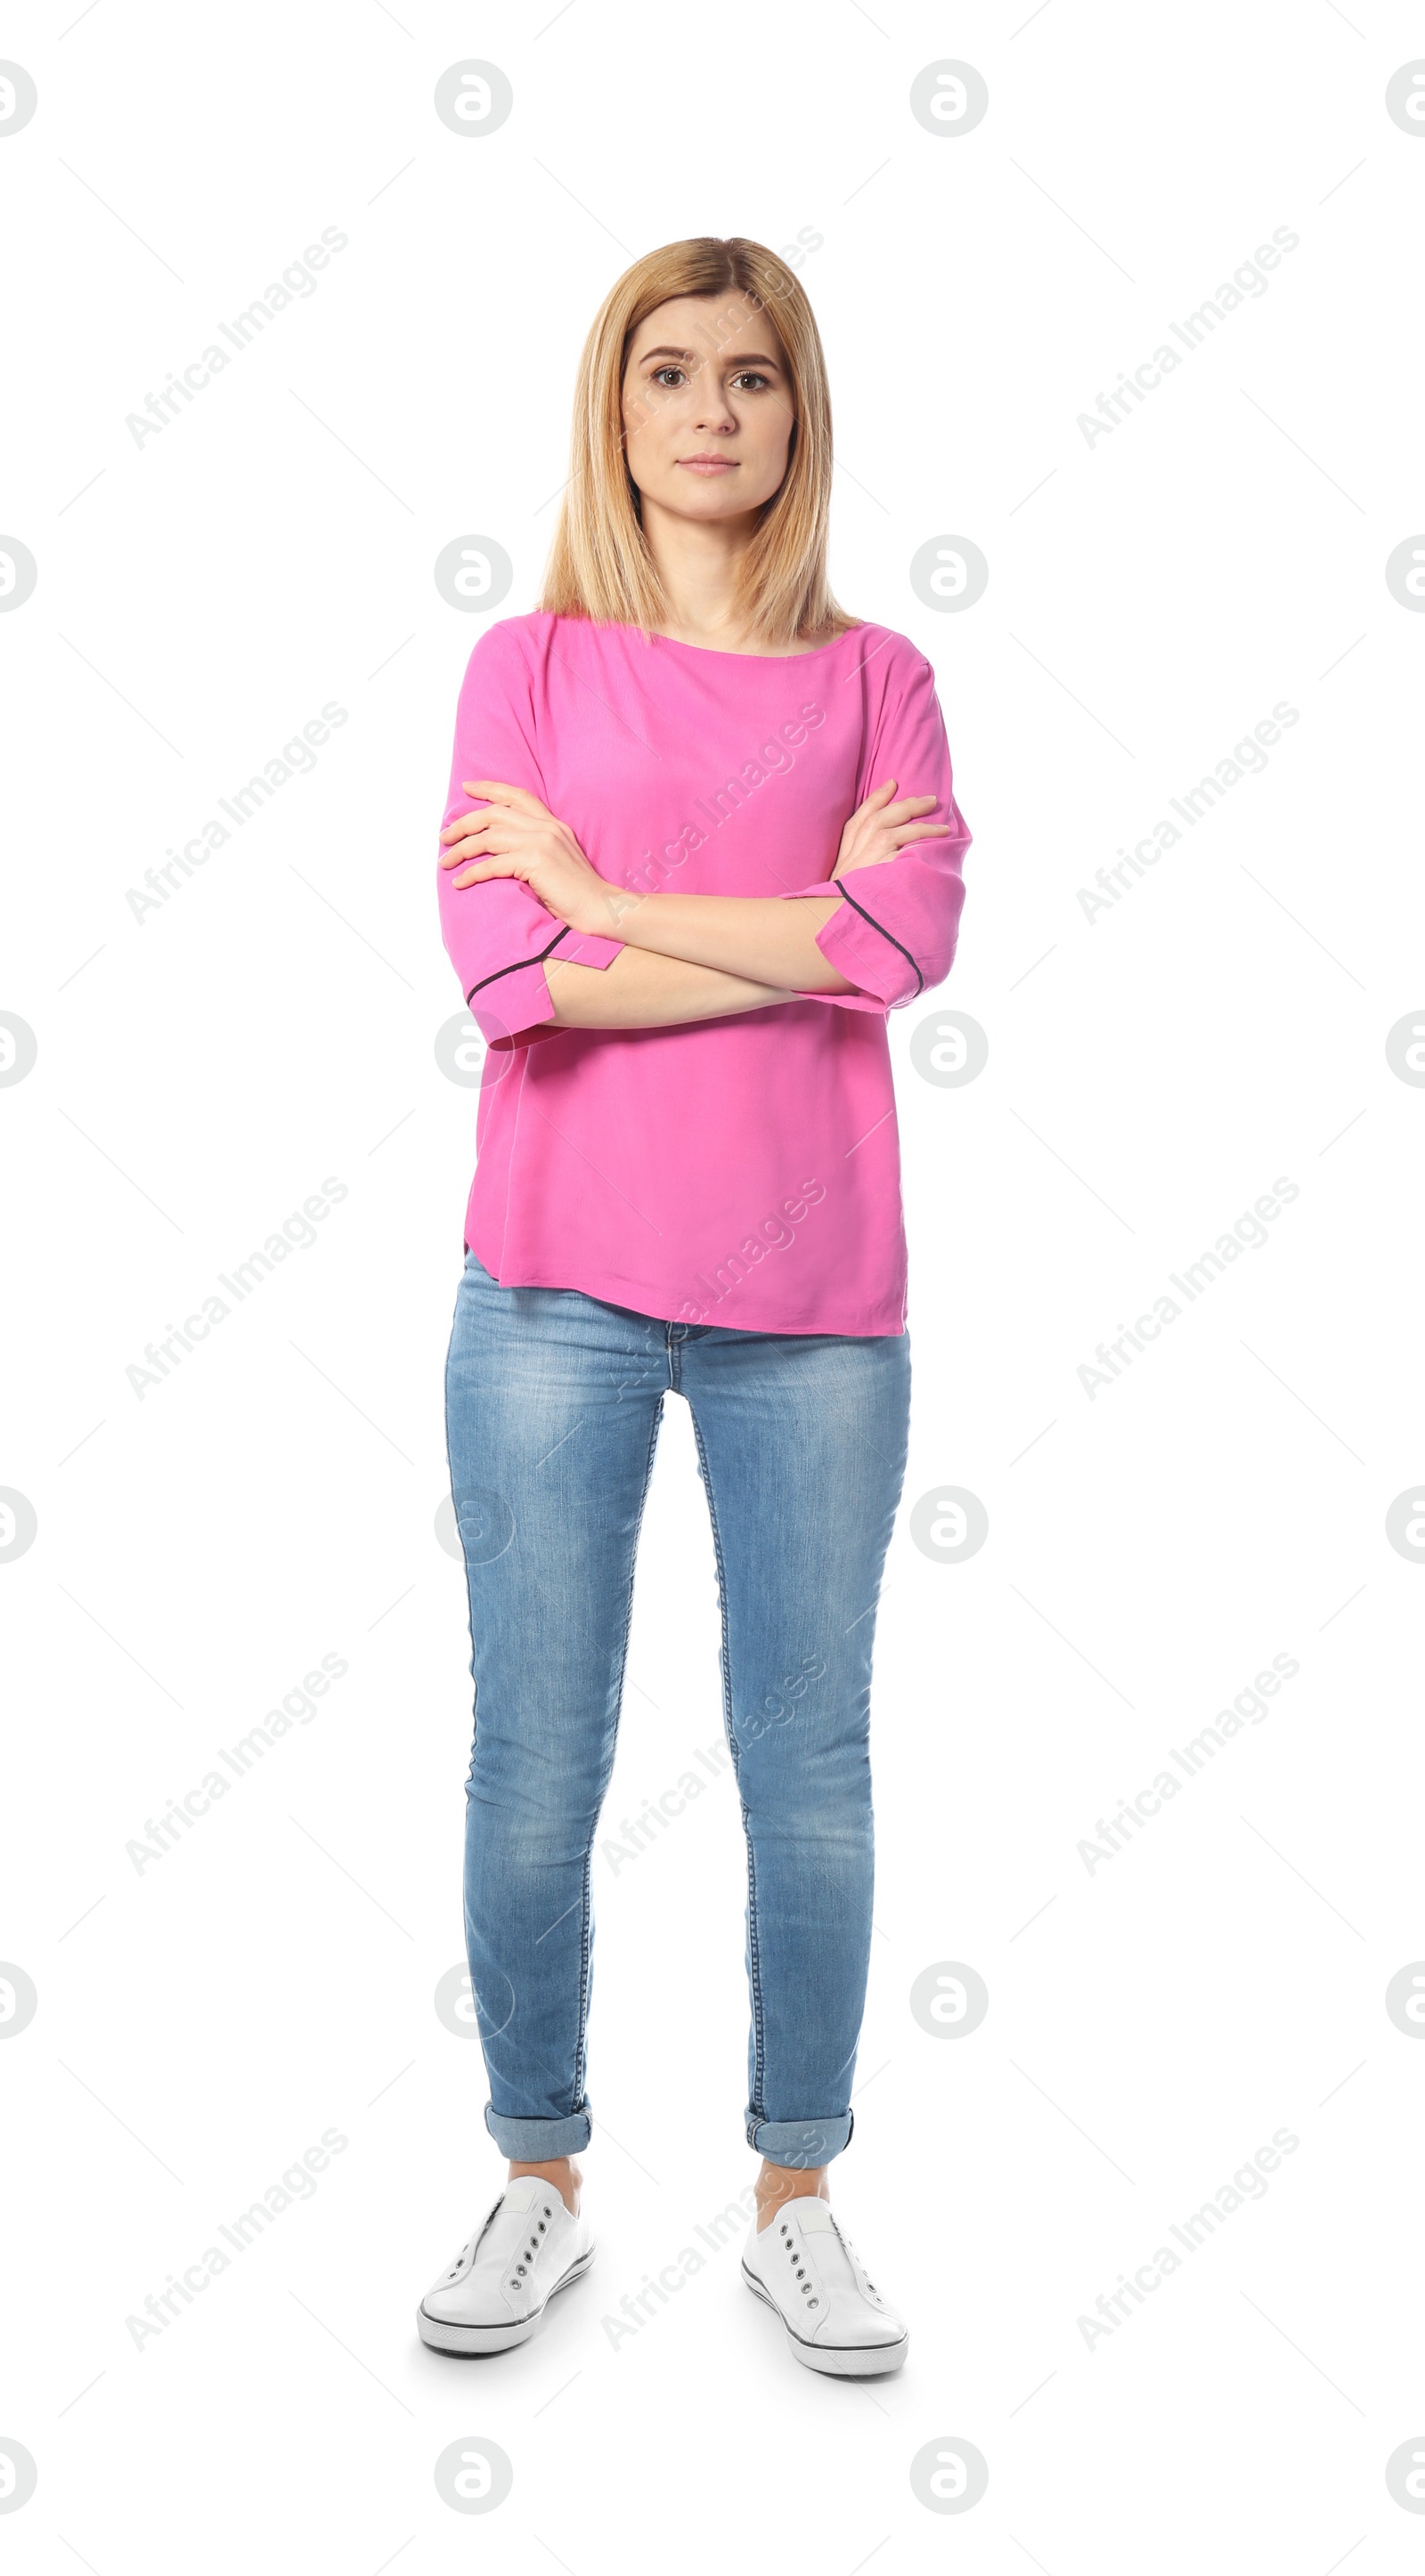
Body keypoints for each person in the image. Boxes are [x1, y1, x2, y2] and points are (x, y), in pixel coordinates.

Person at [416, 235, 972, 2378]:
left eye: (749, 375)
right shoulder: (526, 671)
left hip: (816, 1313)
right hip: (548, 1292)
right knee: (534, 1754)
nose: (711, 411)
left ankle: (795, 2191)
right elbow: (509, 986)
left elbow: (895, 954)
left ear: (795, 408)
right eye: (670, 372)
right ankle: (536, 2172)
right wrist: (782, 927)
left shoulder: (880, 685)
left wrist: (610, 898)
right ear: (615, 405)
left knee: (804, 1762)